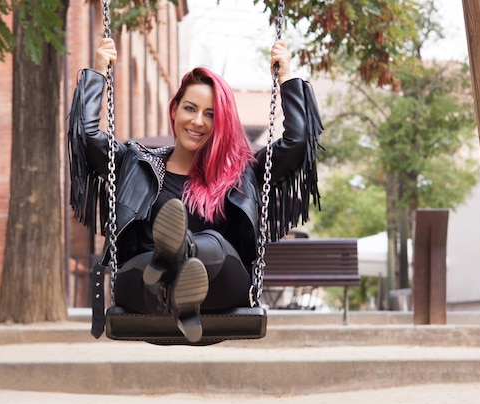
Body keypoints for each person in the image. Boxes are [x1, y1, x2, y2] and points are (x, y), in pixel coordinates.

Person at [68, 38, 322, 343]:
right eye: (190, 108)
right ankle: (171, 276)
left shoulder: (242, 171)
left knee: (213, 243)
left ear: (222, 122)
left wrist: (287, 78)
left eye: (211, 114)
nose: (198, 121)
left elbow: (298, 142)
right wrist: (98, 75)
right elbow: (86, 136)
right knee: (150, 270)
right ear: (174, 109)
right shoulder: (133, 163)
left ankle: (181, 254)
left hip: (219, 287)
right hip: (146, 290)